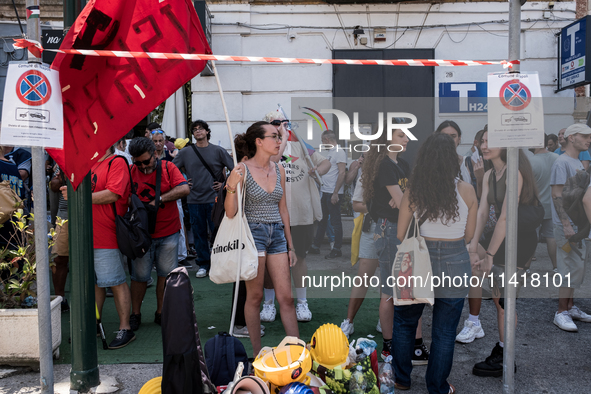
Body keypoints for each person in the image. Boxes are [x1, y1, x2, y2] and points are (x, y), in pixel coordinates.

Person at [396, 133, 477, 394]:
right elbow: (468, 235)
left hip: (418, 260)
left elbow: (400, 234)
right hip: (455, 260)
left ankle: (402, 379)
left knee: (406, 322)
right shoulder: (466, 190)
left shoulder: (414, 190)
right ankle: (437, 387)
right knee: (444, 331)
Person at [467, 131, 539, 377]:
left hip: (520, 241)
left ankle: (505, 357)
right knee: (500, 300)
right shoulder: (489, 174)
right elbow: (483, 212)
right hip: (501, 238)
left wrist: (488, 254)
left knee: (505, 301)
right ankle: (503, 351)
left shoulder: (514, 172)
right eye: (482, 142)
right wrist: (473, 245)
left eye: (488, 141)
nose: (483, 145)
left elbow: (506, 217)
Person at [224, 121, 299, 356]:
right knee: (255, 297)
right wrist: (230, 188)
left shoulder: (280, 169)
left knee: (286, 297)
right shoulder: (242, 170)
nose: (279, 141)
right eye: (274, 137)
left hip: (277, 233)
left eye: (279, 137)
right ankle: (257, 355)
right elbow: (230, 212)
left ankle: (297, 353)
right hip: (252, 235)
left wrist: (291, 245)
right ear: (259, 141)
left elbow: (284, 209)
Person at [361, 130, 428, 365]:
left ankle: (414, 347)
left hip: (401, 227)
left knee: (408, 287)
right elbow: (405, 202)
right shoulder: (385, 165)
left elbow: (412, 198)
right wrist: (405, 200)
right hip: (389, 229)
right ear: (388, 138)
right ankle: (389, 347)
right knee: (390, 290)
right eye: (401, 136)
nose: (406, 139)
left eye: (407, 136)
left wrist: (406, 199)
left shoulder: (402, 164)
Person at [259, 111, 330, 324]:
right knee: (270, 261)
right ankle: (269, 304)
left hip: (300, 214)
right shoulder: (264, 146)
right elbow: (269, 160)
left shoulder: (301, 145)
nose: (281, 127)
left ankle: (302, 302)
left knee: (300, 257)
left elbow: (324, 163)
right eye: (275, 123)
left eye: (283, 123)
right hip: (272, 214)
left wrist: (317, 169)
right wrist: (279, 137)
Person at [62, 146, 134, 349]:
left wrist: (78, 196)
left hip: (107, 234)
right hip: (85, 234)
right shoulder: (88, 164)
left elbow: (113, 193)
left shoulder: (117, 162)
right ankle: (93, 323)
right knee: (95, 283)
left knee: (115, 281)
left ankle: (125, 328)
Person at [128, 137, 190, 331]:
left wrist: (160, 199)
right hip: (142, 234)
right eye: (137, 162)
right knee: (139, 276)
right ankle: (135, 314)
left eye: (146, 161)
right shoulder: (131, 171)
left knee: (165, 275)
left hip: (168, 231)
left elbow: (184, 188)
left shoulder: (168, 168)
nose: (142, 166)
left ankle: (161, 313)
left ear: (155, 154)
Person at [173, 120, 234, 278]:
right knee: (199, 234)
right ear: (192, 134)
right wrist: (183, 182)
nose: (198, 131)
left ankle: (220, 263)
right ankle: (203, 264)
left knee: (218, 233)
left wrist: (224, 184)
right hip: (194, 199)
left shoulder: (218, 151)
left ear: (207, 132)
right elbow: (171, 169)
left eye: (201, 129)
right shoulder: (186, 152)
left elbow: (235, 169)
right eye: (195, 129)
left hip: (215, 199)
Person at [550, 123, 591, 332]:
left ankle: (570, 306)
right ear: (571, 137)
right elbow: (556, 194)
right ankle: (561, 312)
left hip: (578, 224)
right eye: (584, 136)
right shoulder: (561, 163)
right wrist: (566, 224)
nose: (589, 139)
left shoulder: (576, 161)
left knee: (576, 266)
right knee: (567, 268)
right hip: (566, 226)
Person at [309, 130, 347, 259]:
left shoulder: (340, 152)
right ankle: (316, 246)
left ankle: (337, 249)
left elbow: (342, 173)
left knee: (335, 222)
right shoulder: (331, 153)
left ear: (326, 140)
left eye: (322, 140)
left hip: (333, 193)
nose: (322, 143)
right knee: (322, 220)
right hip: (326, 191)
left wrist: (336, 193)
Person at [528, 135, 559, 272]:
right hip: (553, 205)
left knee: (530, 237)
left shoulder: (531, 162)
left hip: (534, 207)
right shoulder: (556, 159)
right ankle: (556, 267)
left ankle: (526, 267)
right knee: (551, 237)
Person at [49, 165, 70, 312]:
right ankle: (60, 298)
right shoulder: (62, 157)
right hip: (65, 214)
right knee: (58, 258)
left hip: (91, 211)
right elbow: (54, 183)